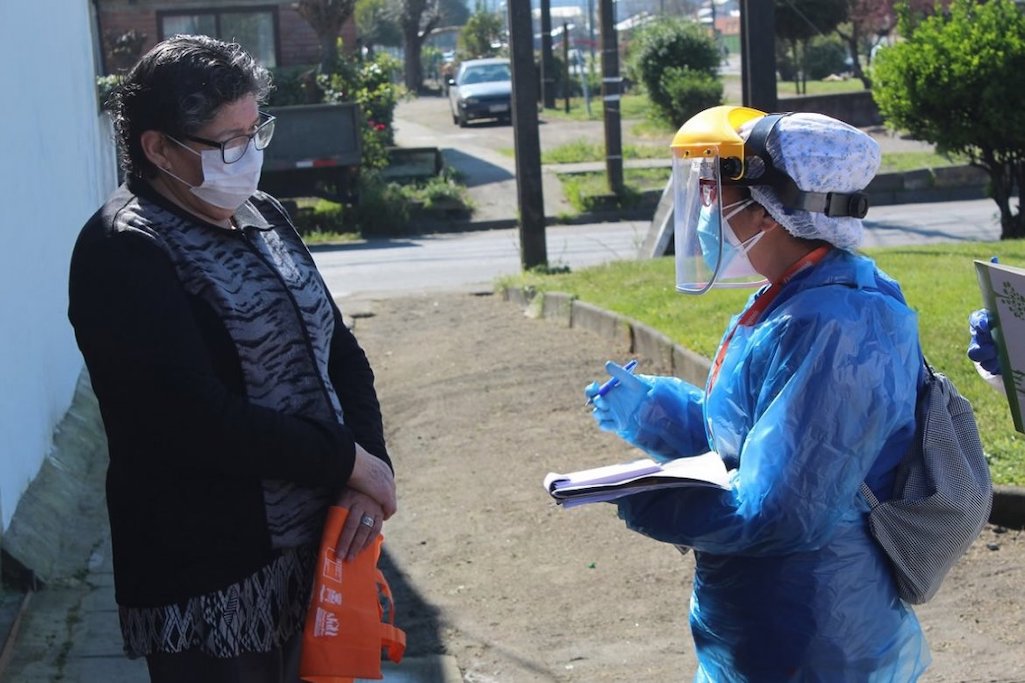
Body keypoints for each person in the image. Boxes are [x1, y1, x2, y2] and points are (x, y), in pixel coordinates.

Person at [67, 35, 397, 682]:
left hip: (315, 555)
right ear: (157, 148)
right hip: (211, 580)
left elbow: (338, 348)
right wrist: (348, 460)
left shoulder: (262, 214)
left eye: (255, 131)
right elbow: (196, 420)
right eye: (225, 143)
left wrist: (369, 470)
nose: (246, 158)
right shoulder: (124, 250)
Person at [585, 106, 930, 681]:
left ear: (771, 209)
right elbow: (750, 444)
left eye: (717, 192)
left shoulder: (835, 323)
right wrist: (651, 412)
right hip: (765, 618)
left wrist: (649, 500)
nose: (709, 210)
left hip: (814, 631)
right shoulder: (794, 297)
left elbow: (781, 513)